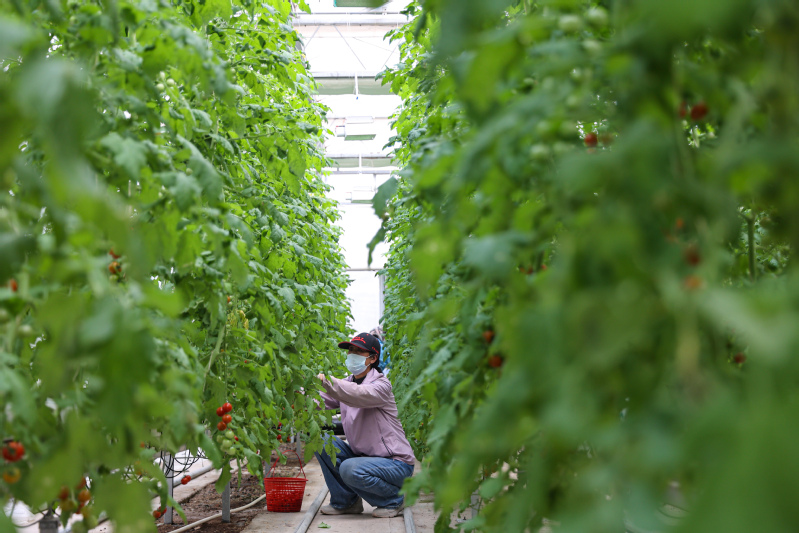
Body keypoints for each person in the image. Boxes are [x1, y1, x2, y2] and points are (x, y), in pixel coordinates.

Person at [314, 332, 415, 518]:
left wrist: (326, 380)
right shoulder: (348, 383)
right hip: (364, 459)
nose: (352, 354)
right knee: (319, 440)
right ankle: (347, 502)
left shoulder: (381, 385)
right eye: (351, 350)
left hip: (395, 464)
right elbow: (319, 399)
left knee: (349, 468)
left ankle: (394, 499)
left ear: (373, 358)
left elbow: (358, 394)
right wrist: (296, 393)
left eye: (359, 351)